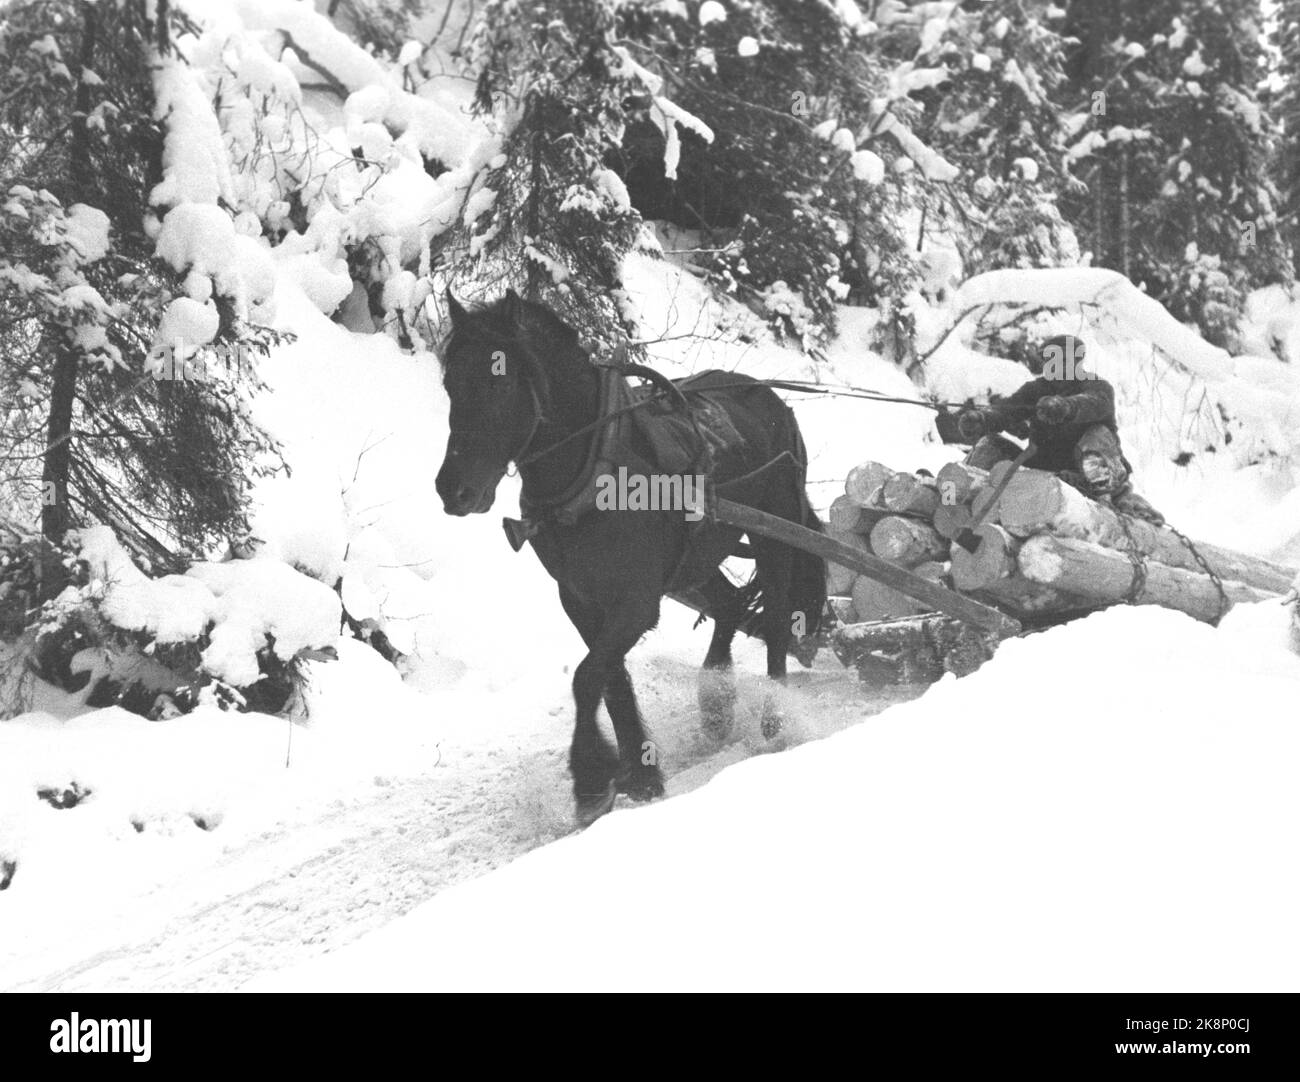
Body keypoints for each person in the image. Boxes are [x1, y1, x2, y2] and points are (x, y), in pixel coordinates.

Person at [955, 334, 1165, 525]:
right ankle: (959, 495)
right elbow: (1006, 412)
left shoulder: (1096, 386)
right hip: (1045, 475)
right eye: (1049, 360)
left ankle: (1108, 500)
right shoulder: (1036, 390)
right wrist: (982, 419)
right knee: (990, 444)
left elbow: (1092, 404)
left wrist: (1066, 407)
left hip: (1089, 476)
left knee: (1098, 435)